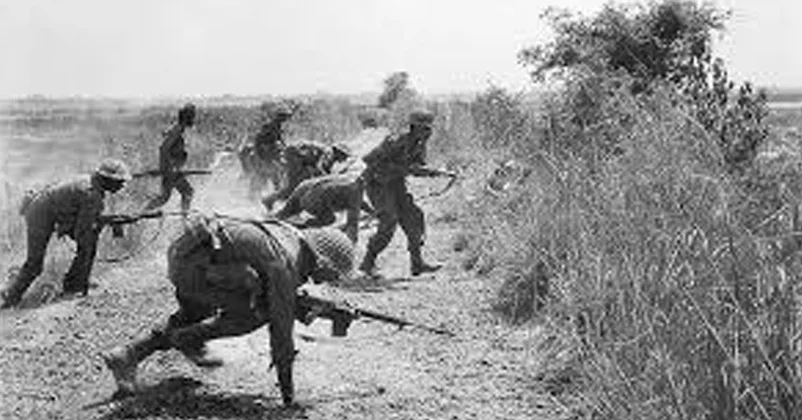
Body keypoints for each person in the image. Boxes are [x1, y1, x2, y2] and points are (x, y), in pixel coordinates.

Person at [101, 214, 355, 407]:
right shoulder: (286, 262)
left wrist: (325, 309)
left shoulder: (284, 234)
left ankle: (126, 355)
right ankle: (188, 338)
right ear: (322, 260)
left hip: (189, 258)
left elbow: (278, 289)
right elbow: (281, 326)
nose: (325, 281)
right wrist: (288, 397)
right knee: (256, 314)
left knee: (196, 312)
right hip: (198, 270)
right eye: (330, 274)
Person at [0, 159, 131, 309]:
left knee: (89, 243)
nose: (122, 185)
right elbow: (82, 233)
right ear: (107, 180)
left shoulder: (90, 183)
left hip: (50, 211)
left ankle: (76, 284)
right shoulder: (91, 194)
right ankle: (9, 301)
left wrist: (102, 223)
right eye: (119, 182)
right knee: (35, 264)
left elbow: (80, 219)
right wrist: (100, 226)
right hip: (40, 214)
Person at [358, 110, 442, 277]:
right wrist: (404, 169)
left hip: (396, 183)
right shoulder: (396, 141)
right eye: (424, 129)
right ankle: (367, 263)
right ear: (414, 128)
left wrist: (430, 172)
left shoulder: (419, 144)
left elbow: (417, 166)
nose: (428, 133)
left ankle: (417, 264)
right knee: (389, 219)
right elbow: (369, 161)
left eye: (429, 129)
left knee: (414, 216)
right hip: (378, 184)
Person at [273, 172, 371, 243]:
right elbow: (352, 224)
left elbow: (356, 201)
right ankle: (302, 228)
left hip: (304, 187)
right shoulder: (356, 191)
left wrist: (371, 211)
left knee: (283, 214)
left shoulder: (350, 176)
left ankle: (268, 219)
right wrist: (352, 244)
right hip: (313, 200)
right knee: (330, 219)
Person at [261, 142, 350, 211]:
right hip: (295, 156)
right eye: (344, 155)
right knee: (294, 188)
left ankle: (272, 200)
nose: (344, 159)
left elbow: (322, 170)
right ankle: (269, 200)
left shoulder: (328, 153)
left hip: (296, 156)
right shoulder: (329, 153)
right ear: (339, 152)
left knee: (297, 187)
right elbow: (319, 169)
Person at [144, 103, 197, 211]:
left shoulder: (179, 129)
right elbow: (163, 148)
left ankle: (143, 213)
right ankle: (184, 218)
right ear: (188, 117)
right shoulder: (177, 130)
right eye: (193, 116)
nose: (194, 119)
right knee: (187, 192)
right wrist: (168, 168)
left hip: (172, 169)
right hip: (171, 170)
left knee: (166, 197)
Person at [239, 106, 293, 199]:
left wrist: (285, 148)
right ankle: (253, 199)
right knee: (260, 178)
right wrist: (259, 155)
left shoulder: (277, 127)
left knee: (277, 177)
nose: (285, 119)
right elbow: (258, 140)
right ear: (278, 117)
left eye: (286, 117)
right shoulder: (269, 126)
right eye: (283, 116)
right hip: (264, 155)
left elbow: (280, 140)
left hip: (271, 154)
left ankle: (275, 198)